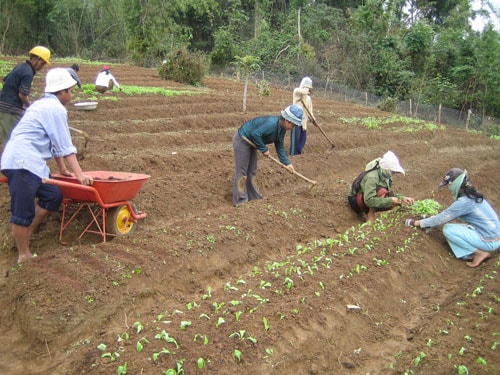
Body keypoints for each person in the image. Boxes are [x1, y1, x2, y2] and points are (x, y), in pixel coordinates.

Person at [1, 68, 94, 264]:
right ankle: (23, 254)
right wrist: (80, 175)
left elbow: (54, 143)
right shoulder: (56, 109)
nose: (72, 94)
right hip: (22, 162)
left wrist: (62, 170)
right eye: (70, 90)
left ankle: (27, 233)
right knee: (22, 211)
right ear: (62, 91)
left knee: (53, 196)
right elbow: (65, 146)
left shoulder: (42, 105)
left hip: (31, 163)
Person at [404, 168, 500, 268]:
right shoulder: (471, 195)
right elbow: (449, 214)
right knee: (457, 227)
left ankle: (478, 253)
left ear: (455, 184)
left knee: (448, 229)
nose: (449, 188)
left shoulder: (464, 202)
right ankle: (472, 252)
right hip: (494, 236)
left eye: (449, 185)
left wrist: (416, 223)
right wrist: (429, 219)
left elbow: (442, 218)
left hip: (489, 241)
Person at [233, 104, 303, 207]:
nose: (293, 128)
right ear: (287, 120)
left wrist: (287, 163)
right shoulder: (271, 124)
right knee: (242, 171)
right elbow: (255, 134)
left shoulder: (282, 129)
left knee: (252, 170)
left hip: (253, 143)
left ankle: (253, 196)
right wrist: (264, 149)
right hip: (243, 140)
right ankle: (240, 200)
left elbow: (279, 146)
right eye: (293, 125)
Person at [0, 46, 51, 146]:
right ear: (35, 59)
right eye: (42, 63)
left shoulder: (21, 66)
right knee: (12, 141)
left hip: (3, 105)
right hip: (10, 110)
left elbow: (6, 80)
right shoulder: (28, 72)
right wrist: (30, 107)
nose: (42, 67)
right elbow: (22, 94)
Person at [348, 150, 414, 223]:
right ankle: (370, 215)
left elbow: (390, 194)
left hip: (365, 196)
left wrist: (402, 198)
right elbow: (369, 200)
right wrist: (390, 200)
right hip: (356, 199)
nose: (393, 173)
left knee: (390, 200)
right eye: (393, 171)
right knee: (382, 192)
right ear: (387, 169)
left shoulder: (386, 177)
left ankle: (369, 212)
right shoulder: (372, 177)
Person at [290, 76, 315, 155]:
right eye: (307, 87)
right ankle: (293, 156)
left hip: (304, 122)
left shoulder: (308, 98)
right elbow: (303, 92)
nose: (308, 89)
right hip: (295, 121)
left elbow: (310, 111)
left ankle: (298, 155)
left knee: (302, 141)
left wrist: (313, 119)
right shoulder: (297, 92)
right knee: (295, 141)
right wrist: (306, 89)